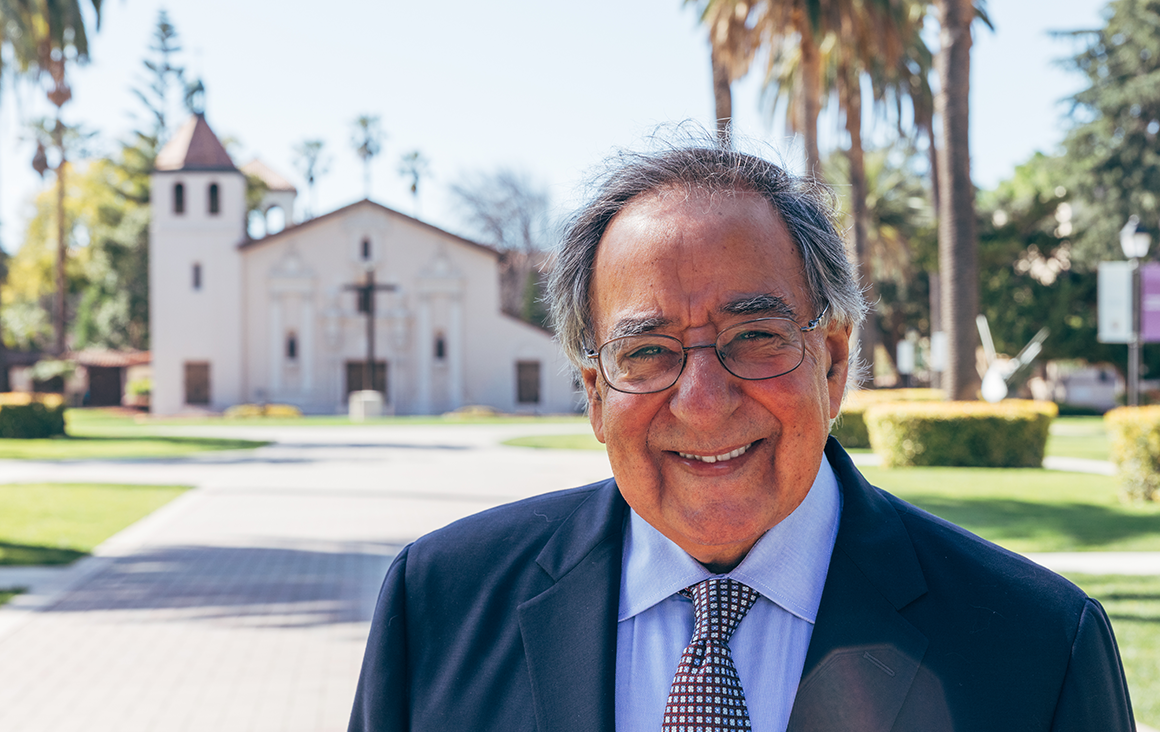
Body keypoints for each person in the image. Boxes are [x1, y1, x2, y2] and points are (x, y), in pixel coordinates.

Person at [348, 140, 1134, 731]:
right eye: (647, 352)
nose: (703, 400)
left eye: (754, 336)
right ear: (594, 393)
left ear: (832, 360)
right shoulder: (440, 605)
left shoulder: (1038, 649)